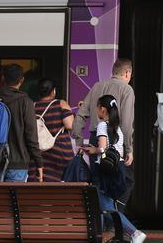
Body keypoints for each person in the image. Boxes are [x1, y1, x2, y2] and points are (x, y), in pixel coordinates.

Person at [81, 95, 147, 243]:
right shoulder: (118, 129)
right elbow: (120, 153)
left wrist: (94, 150)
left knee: (106, 206)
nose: (96, 110)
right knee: (104, 205)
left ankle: (134, 232)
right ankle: (99, 235)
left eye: (97, 107)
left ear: (102, 109)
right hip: (118, 171)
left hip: (104, 173)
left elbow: (103, 148)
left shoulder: (102, 125)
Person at [72, 58, 135, 212]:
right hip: (115, 141)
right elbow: (126, 123)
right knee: (125, 180)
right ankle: (115, 220)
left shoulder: (97, 86)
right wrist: (129, 149)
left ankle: (101, 223)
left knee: (99, 182)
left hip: (95, 140)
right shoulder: (127, 90)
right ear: (127, 73)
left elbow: (80, 114)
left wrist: (79, 140)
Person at [0, 64, 43, 182]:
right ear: (22, 80)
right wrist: (39, 163)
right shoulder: (26, 102)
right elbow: (31, 136)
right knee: (13, 199)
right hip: (18, 163)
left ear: (3, 78)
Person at [27, 78, 75, 182]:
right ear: (54, 91)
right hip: (59, 154)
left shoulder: (32, 106)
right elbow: (70, 125)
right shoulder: (60, 103)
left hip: (38, 154)